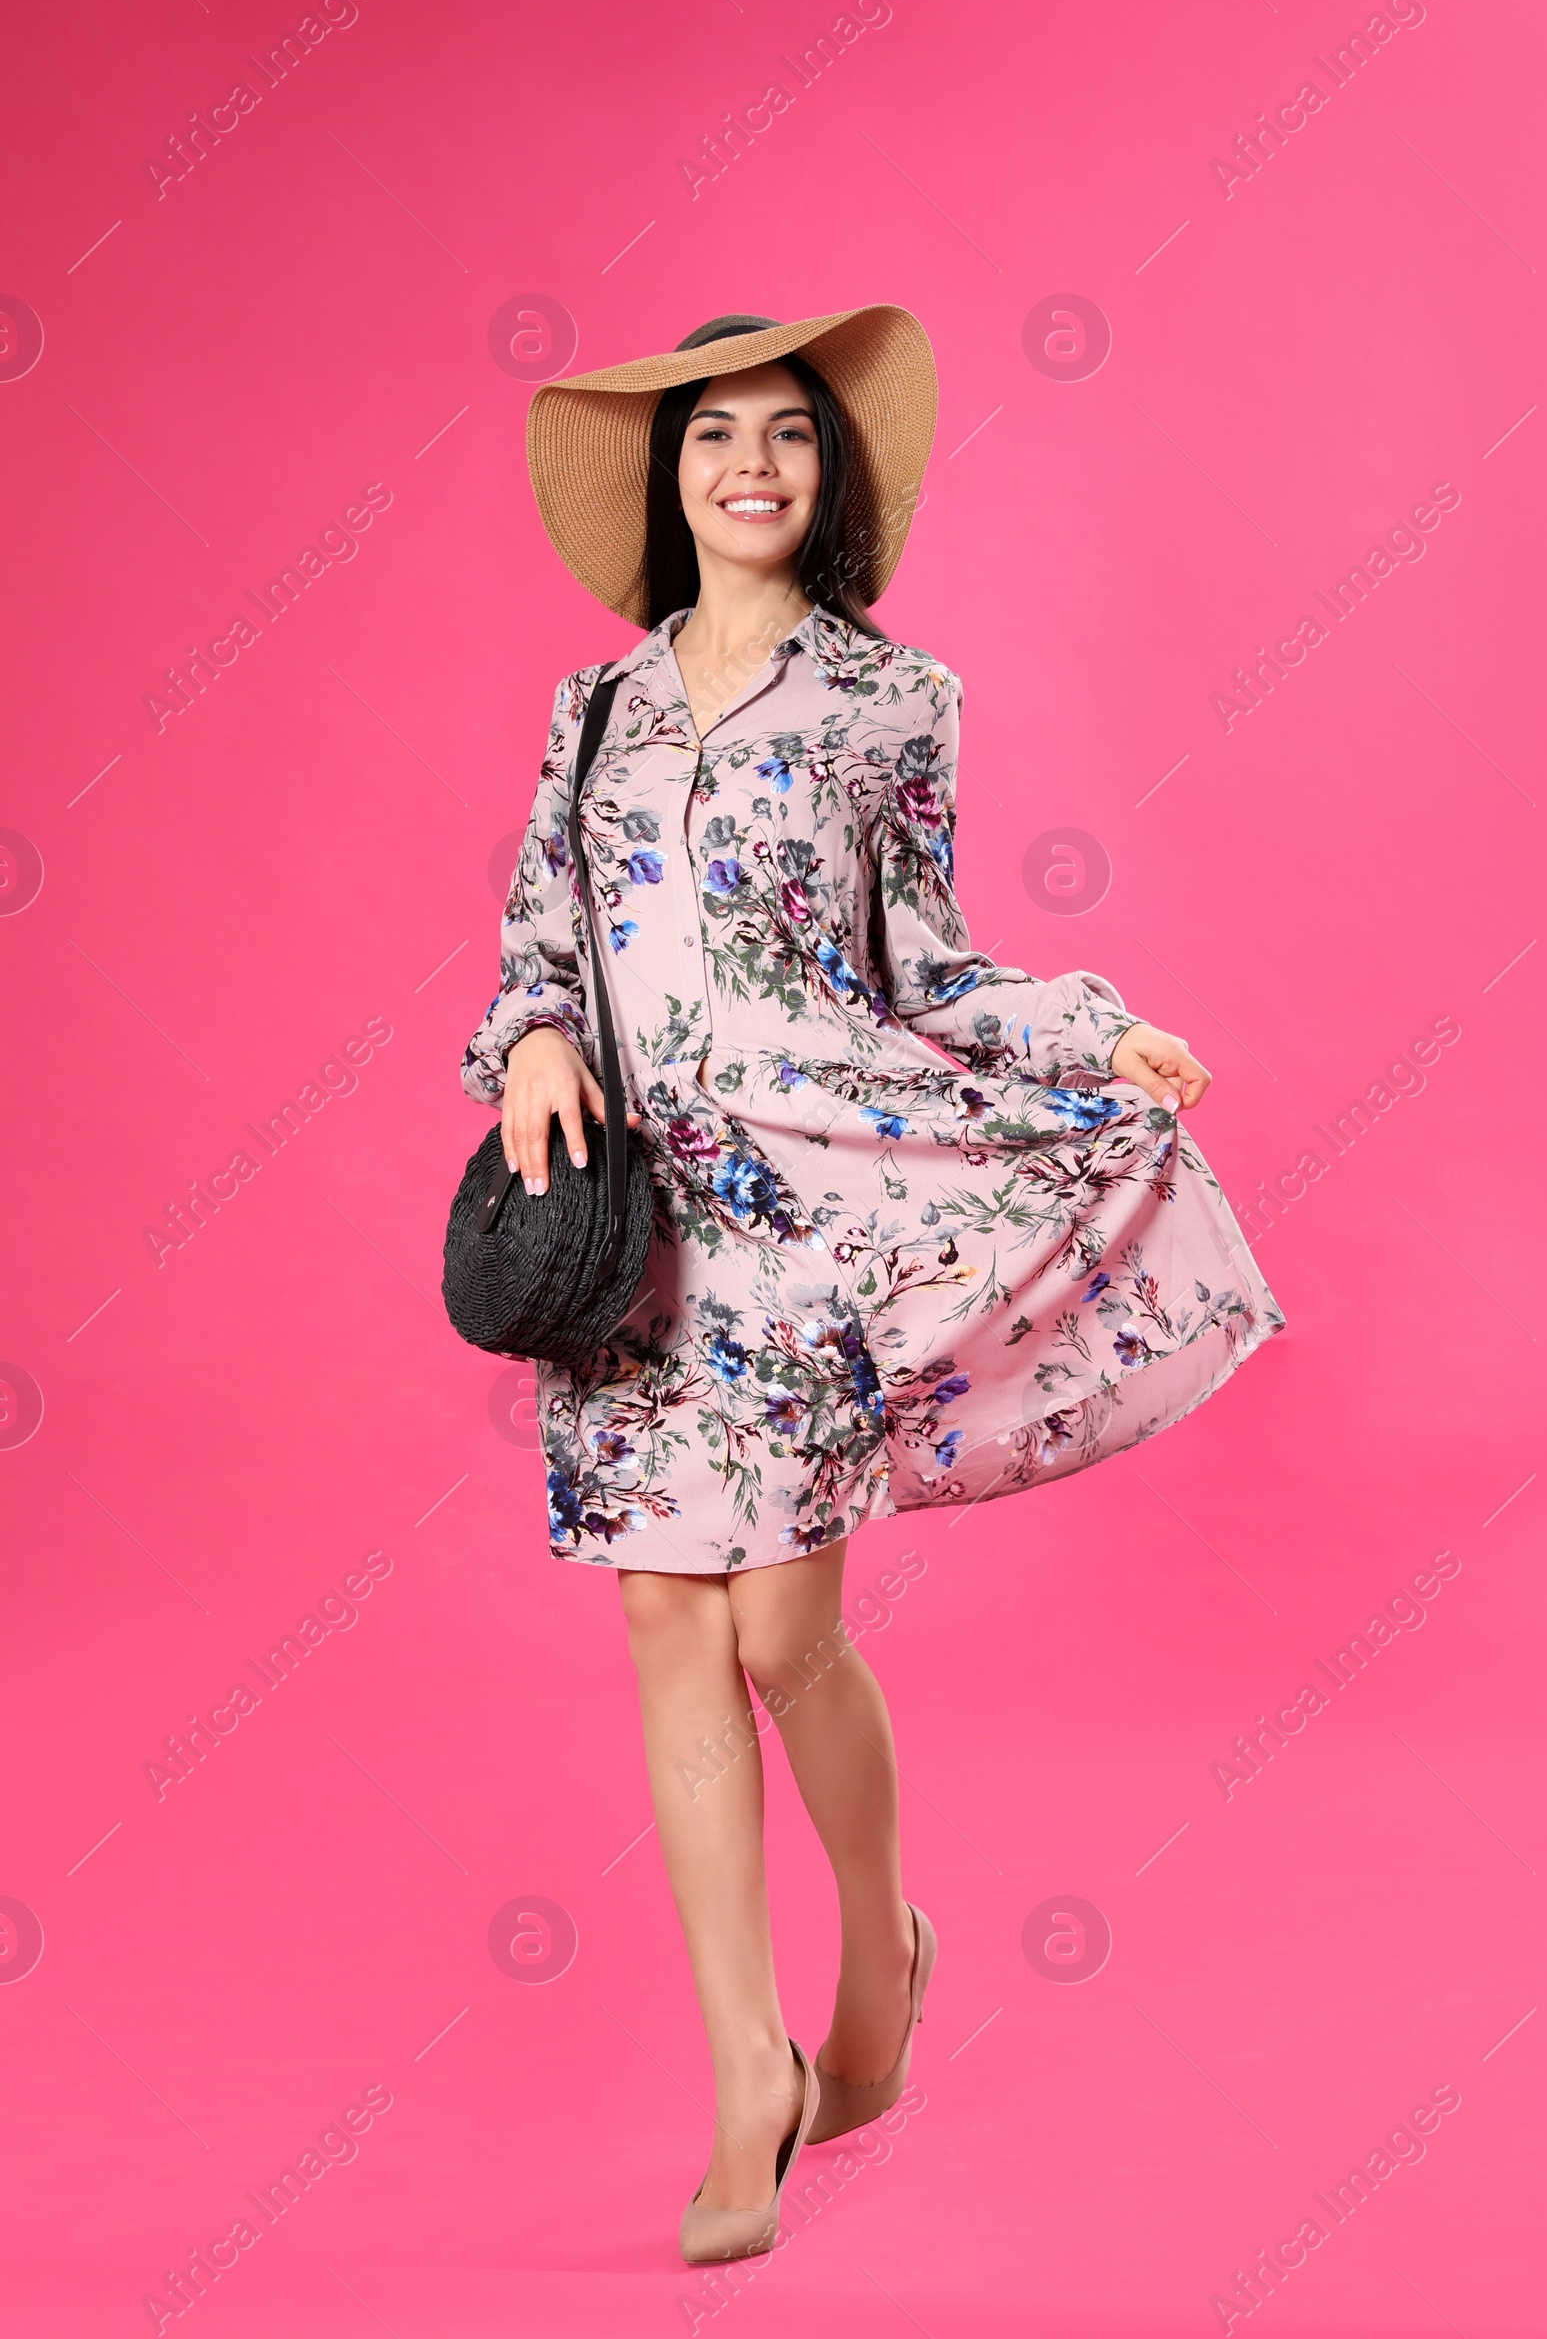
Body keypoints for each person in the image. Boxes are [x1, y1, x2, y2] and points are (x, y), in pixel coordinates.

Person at [459, 308, 1285, 2262]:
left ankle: (884, 1944)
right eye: (715, 437)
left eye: (788, 441)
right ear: (667, 477)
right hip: (638, 1226)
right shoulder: (590, 711)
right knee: (668, 1619)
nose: (751, 465)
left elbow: (924, 964)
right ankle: (749, 2065)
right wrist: (531, 1050)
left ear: (824, 483)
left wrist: (1086, 1030)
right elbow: (529, 948)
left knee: (775, 1635)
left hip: (817, 1200)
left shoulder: (889, 700)